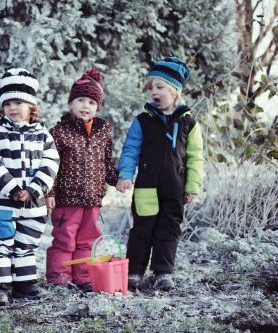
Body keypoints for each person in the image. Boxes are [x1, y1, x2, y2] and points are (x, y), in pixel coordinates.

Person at [116, 56, 204, 291]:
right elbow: (130, 149)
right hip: (146, 184)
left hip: (175, 185)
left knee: (169, 228)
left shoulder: (189, 123)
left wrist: (192, 186)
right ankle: (134, 271)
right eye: (150, 88)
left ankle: (163, 272)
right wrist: (125, 174)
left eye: (159, 86)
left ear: (175, 90)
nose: (153, 92)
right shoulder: (143, 120)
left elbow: (196, 157)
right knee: (142, 227)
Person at [0, 68, 60, 306]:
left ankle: (24, 284)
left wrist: (35, 189)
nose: (12, 108)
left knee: (25, 244)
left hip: (33, 205)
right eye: (7, 103)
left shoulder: (43, 136)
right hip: (2, 202)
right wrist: (13, 188)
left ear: (31, 106)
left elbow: (51, 164)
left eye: (18, 102)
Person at [44, 68, 118, 292]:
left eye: (91, 103)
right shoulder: (59, 132)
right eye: (80, 100)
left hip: (93, 198)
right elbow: (50, 165)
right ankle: (59, 276)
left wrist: (118, 179)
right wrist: (50, 193)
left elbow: (107, 161)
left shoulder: (103, 132)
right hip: (67, 198)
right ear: (71, 103)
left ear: (97, 107)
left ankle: (83, 276)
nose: (86, 106)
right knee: (65, 239)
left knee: (88, 239)